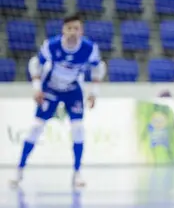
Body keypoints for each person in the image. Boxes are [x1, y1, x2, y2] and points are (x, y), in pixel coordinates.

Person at [12, 13, 105, 189]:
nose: (72, 32)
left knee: (78, 129)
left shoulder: (89, 48)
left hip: (72, 90)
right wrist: (37, 88)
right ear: (63, 30)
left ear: (81, 31)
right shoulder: (52, 45)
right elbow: (35, 63)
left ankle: (77, 173)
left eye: (76, 29)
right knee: (36, 128)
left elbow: (98, 68)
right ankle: (19, 170)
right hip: (51, 89)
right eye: (69, 28)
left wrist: (94, 92)